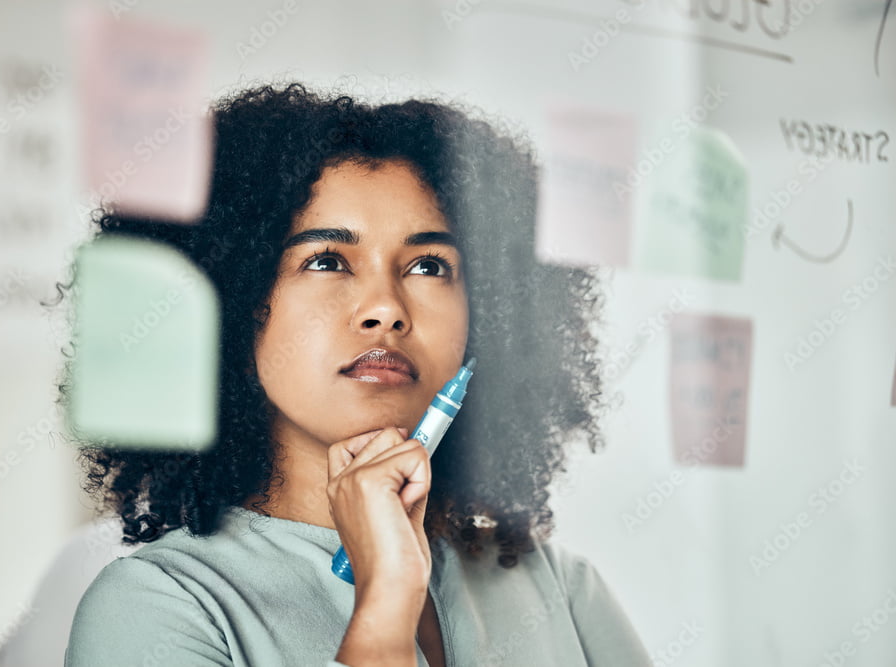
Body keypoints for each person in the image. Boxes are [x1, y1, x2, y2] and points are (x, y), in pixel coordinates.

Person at [62, 82, 651, 666]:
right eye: (326, 260)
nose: (387, 309)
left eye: (428, 265)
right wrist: (386, 602)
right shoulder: (161, 607)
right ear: (234, 303)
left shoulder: (558, 588)